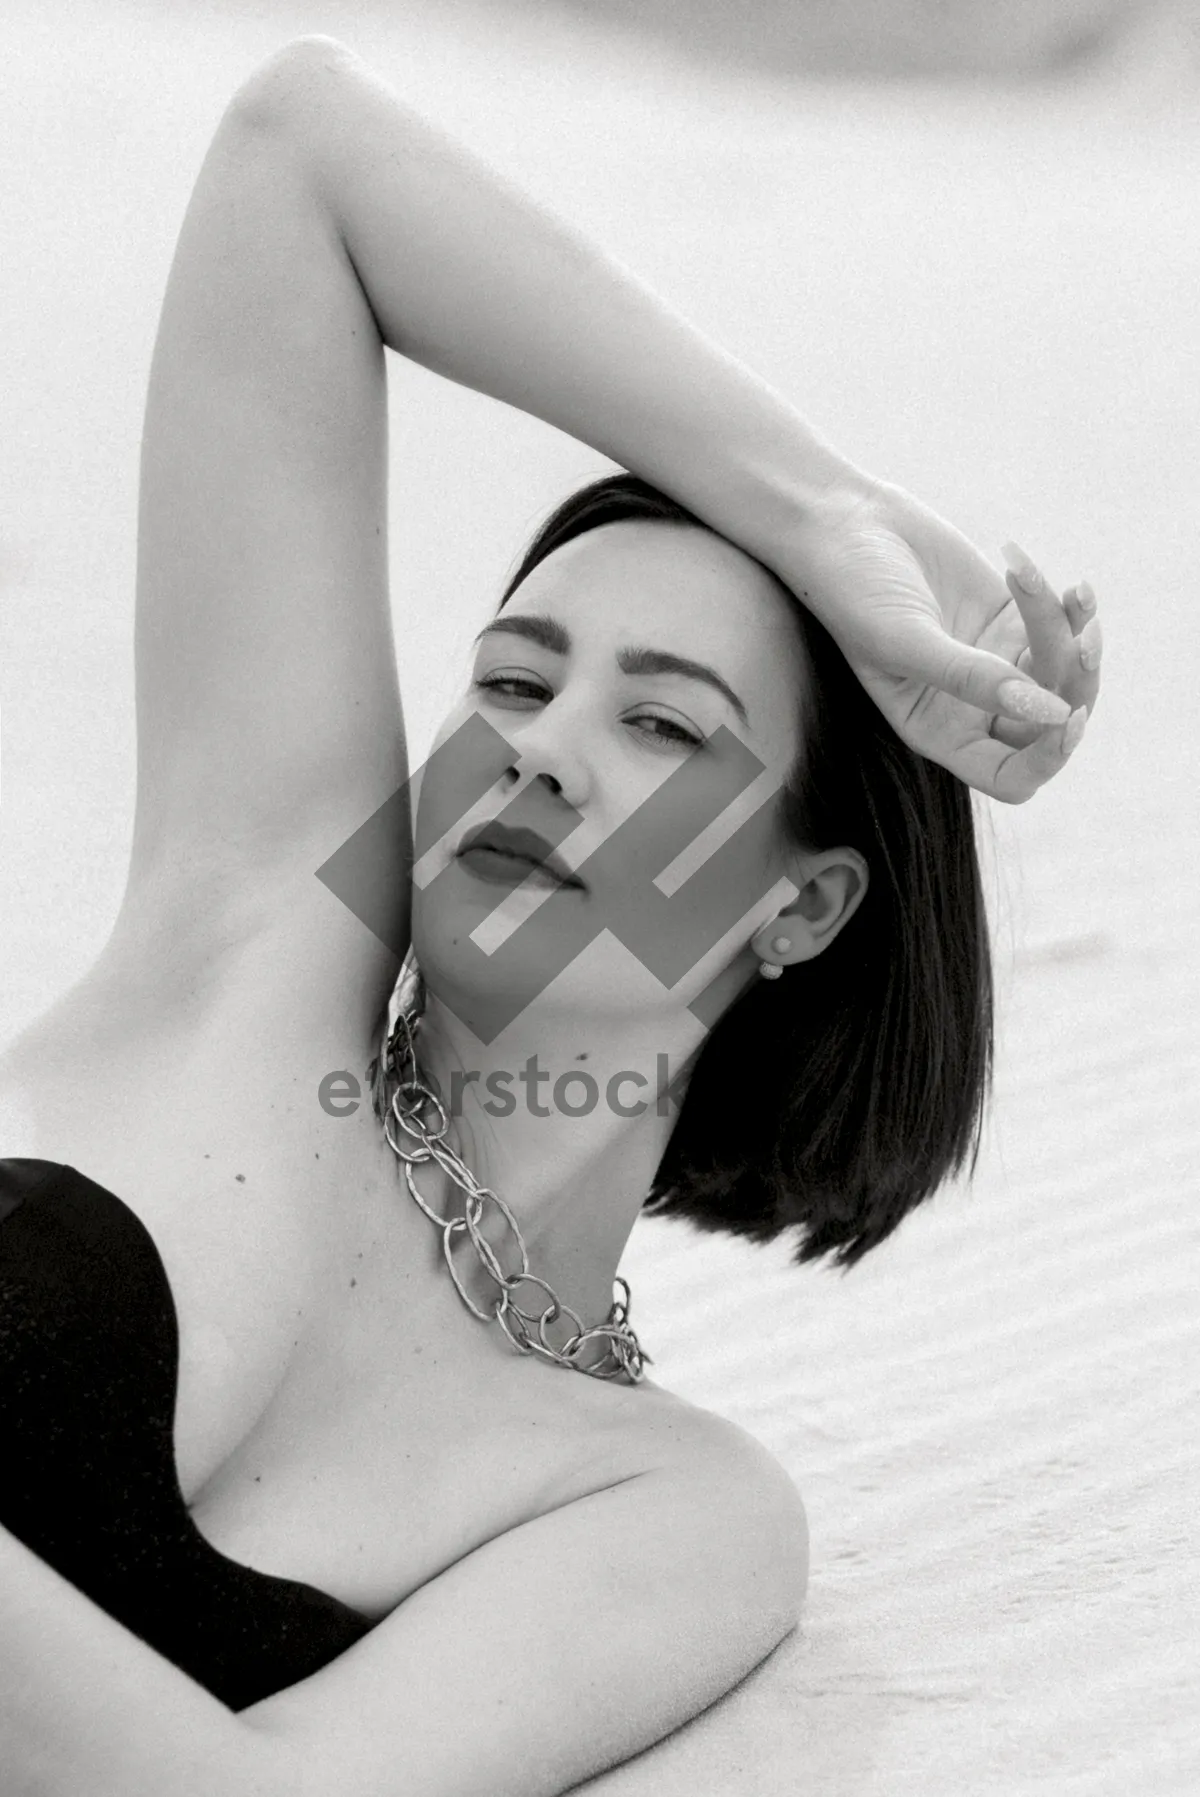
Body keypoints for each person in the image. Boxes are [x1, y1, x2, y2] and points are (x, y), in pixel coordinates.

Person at [0, 33, 1101, 1797]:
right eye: (513, 681)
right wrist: (836, 518)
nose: (545, 756)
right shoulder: (251, 946)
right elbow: (301, 158)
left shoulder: (666, 1506)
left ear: (806, 907)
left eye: (664, 726)